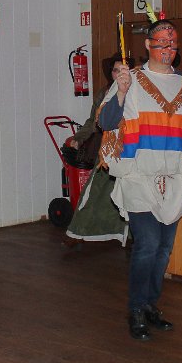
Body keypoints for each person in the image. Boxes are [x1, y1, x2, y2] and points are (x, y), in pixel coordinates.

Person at [98, 18, 182, 341]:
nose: (167, 49)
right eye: (161, 43)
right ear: (148, 45)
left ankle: (150, 304)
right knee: (146, 244)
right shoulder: (130, 80)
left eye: (172, 44)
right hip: (137, 176)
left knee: (163, 249)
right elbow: (105, 121)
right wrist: (120, 92)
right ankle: (135, 308)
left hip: (173, 179)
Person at [65, 54, 133, 245]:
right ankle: (78, 232)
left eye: (123, 70)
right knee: (94, 191)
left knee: (131, 196)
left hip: (131, 151)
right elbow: (92, 122)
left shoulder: (138, 93)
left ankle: (131, 237)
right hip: (108, 152)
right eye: (115, 70)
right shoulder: (105, 94)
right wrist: (79, 138)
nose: (119, 74)